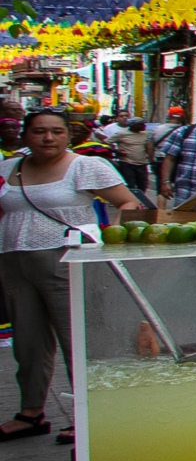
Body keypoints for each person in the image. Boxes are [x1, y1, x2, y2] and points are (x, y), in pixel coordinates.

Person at [0, 110, 152, 443]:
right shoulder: (8, 169)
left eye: (57, 131)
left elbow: (128, 203)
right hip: (14, 261)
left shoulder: (86, 166)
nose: (48, 138)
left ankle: (88, 412)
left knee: (77, 338)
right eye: (39, 131)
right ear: (25, 136)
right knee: (27, 341)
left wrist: (110, 240)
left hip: (67, 260)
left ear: (69, 136)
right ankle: (31, 412)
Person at [110, 118, 154, 202]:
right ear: (134, 125)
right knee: (130, 184)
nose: (144, 126)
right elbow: (106, 142)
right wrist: (116, 151)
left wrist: (151, 159)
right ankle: (131, 202)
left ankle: (140, 201)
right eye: (142, 124)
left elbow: (148, 147)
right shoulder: (122, 134)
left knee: (143, 184)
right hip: (127, 163)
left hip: (142, 164)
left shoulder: (145, 134)